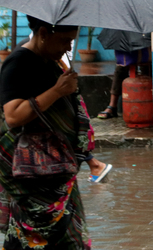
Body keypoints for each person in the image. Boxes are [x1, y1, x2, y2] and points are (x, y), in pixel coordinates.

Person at [0, 16, 92, 249]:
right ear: (43, 33)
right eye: (64, 40)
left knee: (69, 239)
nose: (69, 47)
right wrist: (57, 91)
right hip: (34, 174)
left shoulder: (50, 61)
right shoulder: (18, 63)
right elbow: (13, 116)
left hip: (57, 172)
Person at [16, 34, 112, 183]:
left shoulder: (46, 55)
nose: (68, 47)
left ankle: (94, 166)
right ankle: (94, 166)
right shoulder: (36, 53)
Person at [97, 0, 152, 119]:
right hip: (127, 28)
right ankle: (112, 106)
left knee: (150, 65)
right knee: (121, 65)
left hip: (146, 28)